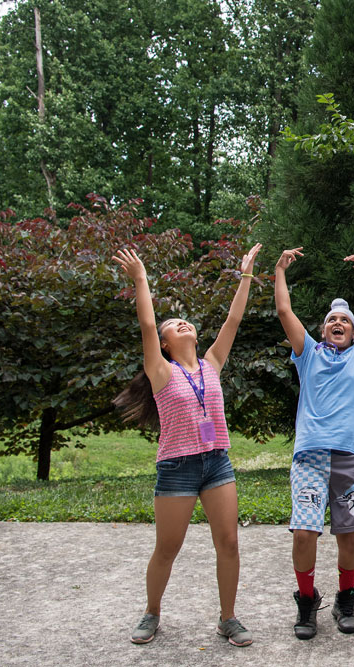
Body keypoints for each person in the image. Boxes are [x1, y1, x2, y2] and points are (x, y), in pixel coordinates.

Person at [113, 243, 262, 647]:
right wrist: (141, 279)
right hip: (177, 467)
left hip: (217, 463)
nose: (181, 324)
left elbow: (233, 319)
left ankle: (228, 618)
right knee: (168, 548)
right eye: (172, 324)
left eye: (185, 321)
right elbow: (146, 325)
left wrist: (245, 274)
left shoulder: (212, 363)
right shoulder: (160, 371)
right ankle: (152, 612)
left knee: (228, 542)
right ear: (163, 344)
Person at [274, 247, 354, 640]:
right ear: (323, 330)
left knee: (348, 534)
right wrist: (280, 271)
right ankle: (307, 601)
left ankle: (345, 597)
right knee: (305, 532)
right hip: (310, 455)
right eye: (331, 320)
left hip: (351, 456)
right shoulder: (308, 354)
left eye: (344, 321)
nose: (337, 323)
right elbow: (286, 313)